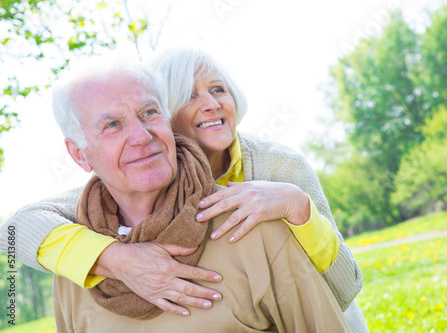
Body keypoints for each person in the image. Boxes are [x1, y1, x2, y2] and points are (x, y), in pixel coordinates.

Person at [0, 48, 368, 331]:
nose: (211, 104)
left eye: (218, 89)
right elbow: (15, 228)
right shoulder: (108, 199)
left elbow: (343, 289)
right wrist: (114, 258)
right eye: (190, 96)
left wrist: (298, 207)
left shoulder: (277, 170)